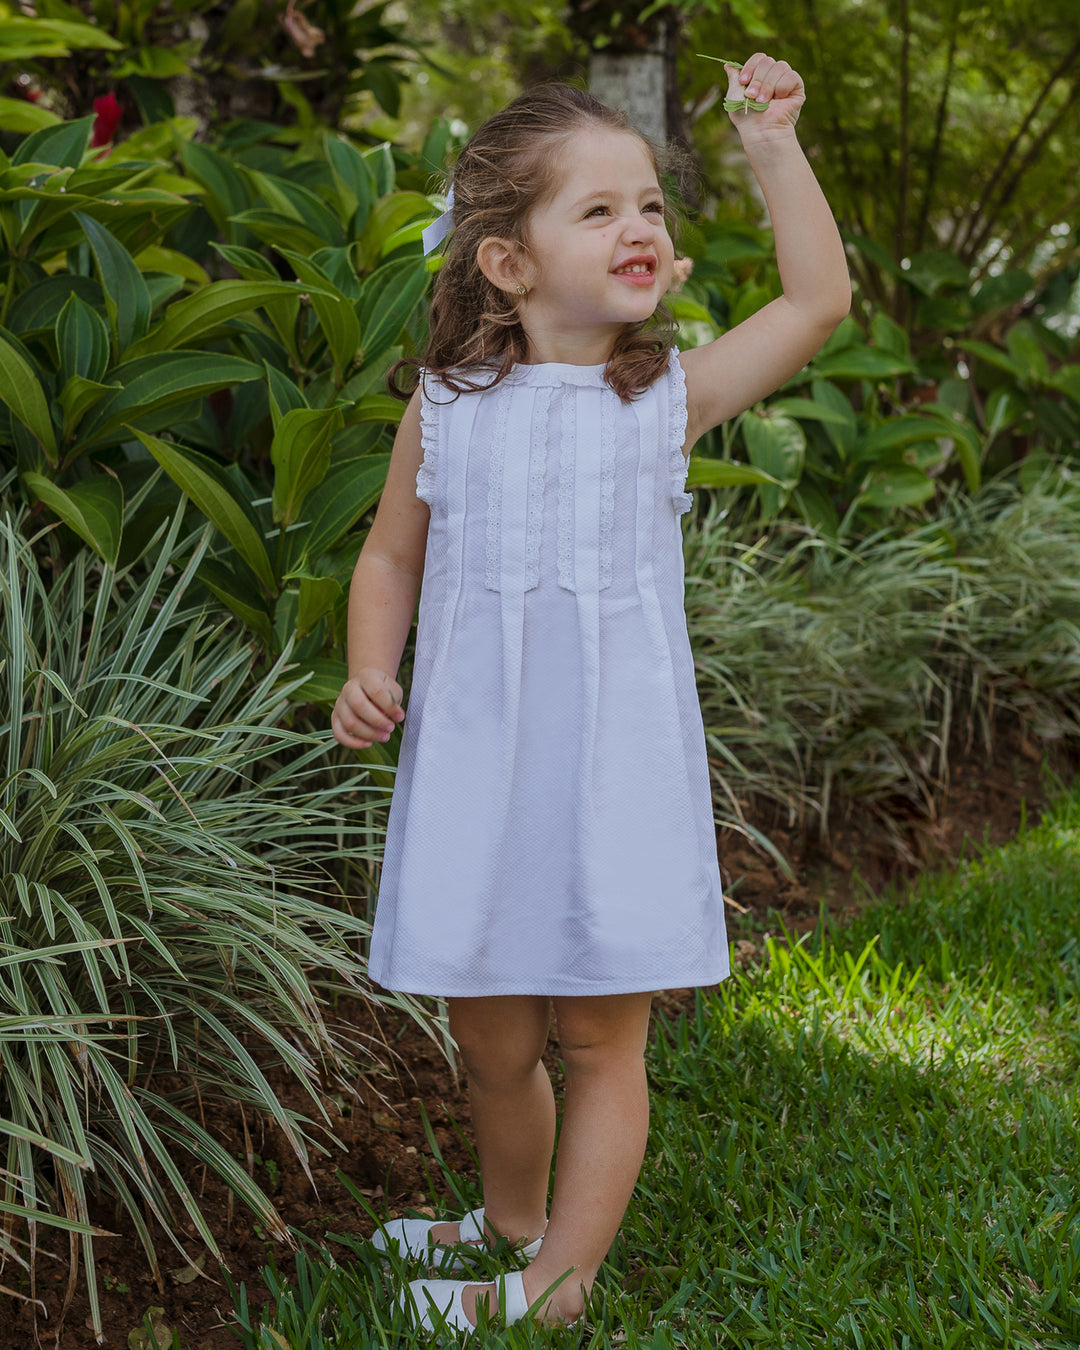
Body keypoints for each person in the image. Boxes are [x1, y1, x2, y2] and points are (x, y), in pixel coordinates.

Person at [331, 52, 850, 1334]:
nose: (641, 228)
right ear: (506, 262)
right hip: (475, 769)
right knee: (494, 1042)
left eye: (653, 207)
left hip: (611, 775)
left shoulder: (664, 401)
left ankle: (559, 1283)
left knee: (600, 1043)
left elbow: (819, 301)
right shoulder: (448, 407)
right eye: (600, 208)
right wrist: (369, 665)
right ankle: (513, 1224)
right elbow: (391, 553)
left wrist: (770, 143)